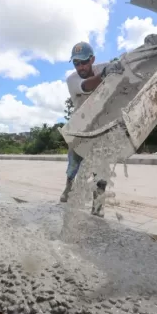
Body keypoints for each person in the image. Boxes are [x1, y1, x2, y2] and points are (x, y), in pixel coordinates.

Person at [60, 42, 114, 202]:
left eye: (84, 62)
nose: (81, 67)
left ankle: (98, 204)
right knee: (74, 163)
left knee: (101, 167)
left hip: (101, 124)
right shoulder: (72, 80)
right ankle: (68, 188)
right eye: (77, 63)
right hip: (80, 127)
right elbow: (87, 86)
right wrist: (105, 74)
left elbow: (125, 64)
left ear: (92, 60)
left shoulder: (103, 67)